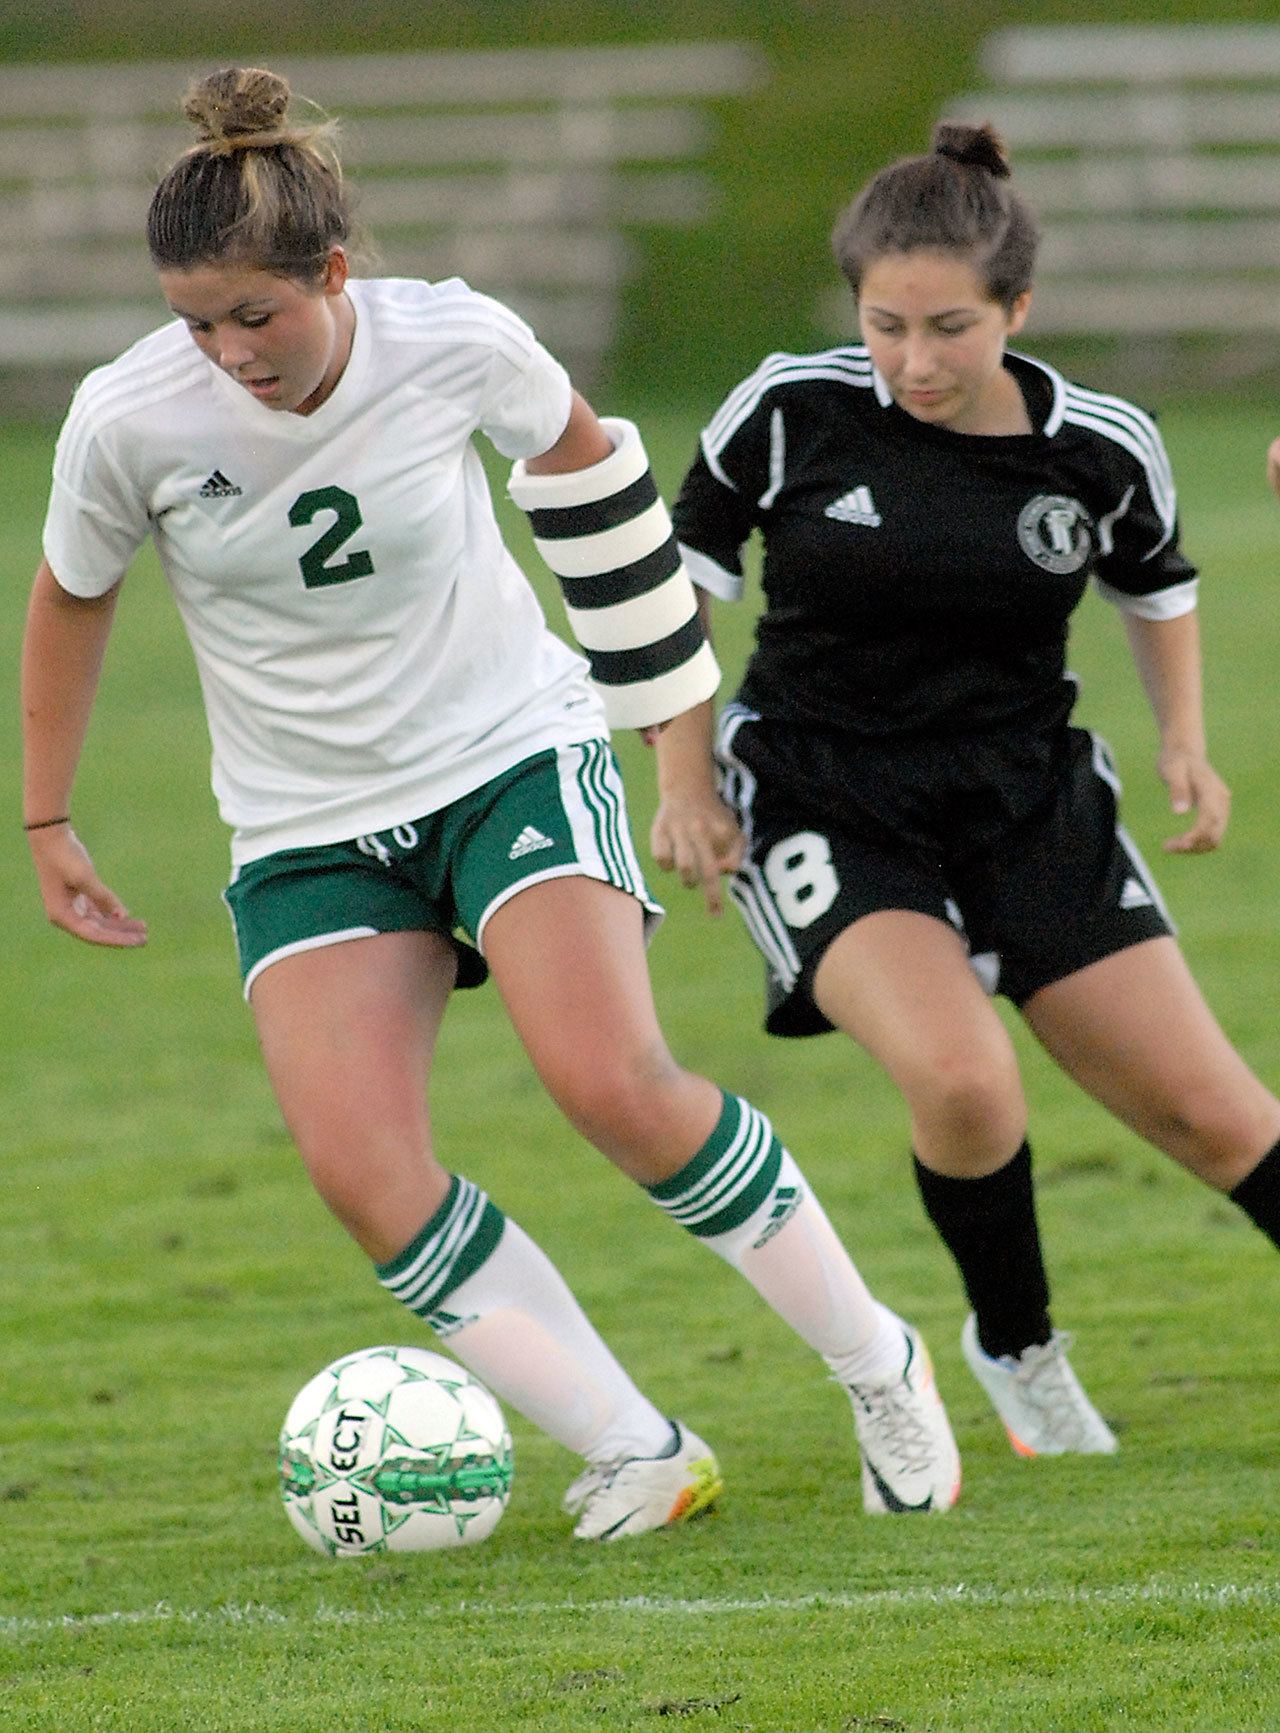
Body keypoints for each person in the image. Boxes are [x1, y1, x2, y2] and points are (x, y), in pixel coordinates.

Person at [21, 65, 962, 1540]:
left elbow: (604, 507)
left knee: (610, 1081)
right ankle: (640, 1445)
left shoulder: (455, 340)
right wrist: (47, 816)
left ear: (333, 273)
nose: (226, 353)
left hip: (508, 757)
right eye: (196, 322)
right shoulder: (129, 417)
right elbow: (71, 594)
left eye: (254, 314)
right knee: (362, 1170)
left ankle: (877, 1360)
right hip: (304, 823)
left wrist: (671, 749)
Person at [654, 120, 1280, 1459]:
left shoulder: (1100, 445)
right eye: (885, 325)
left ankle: (1019, 1347)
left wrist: (1184, 738)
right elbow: (676, 592)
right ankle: (1021, 1348)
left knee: (1221, 1114)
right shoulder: (788, 410)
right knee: (965, 1080)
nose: (914, 362)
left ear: (1019, 309)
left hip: (1028, 794)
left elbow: (1156, 586)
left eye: (949, 327)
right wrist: (684, 779)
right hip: (825, 794)